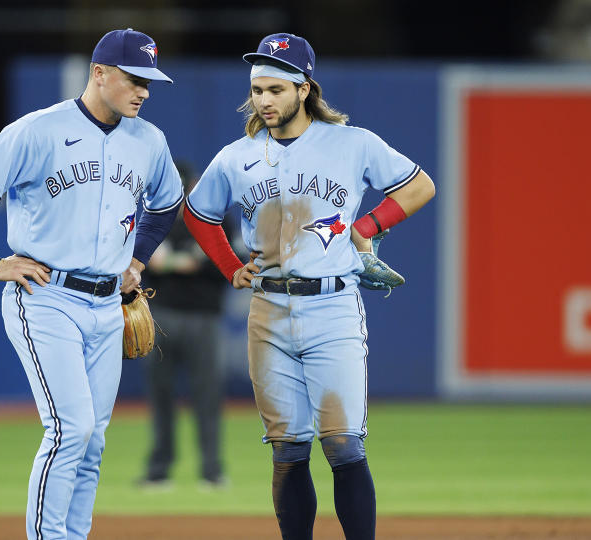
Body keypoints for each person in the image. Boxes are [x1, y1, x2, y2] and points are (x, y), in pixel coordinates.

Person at [183, 33, 435, 540]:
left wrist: (367, 228)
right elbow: (198, 212)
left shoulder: (351, 143)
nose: (264, 100)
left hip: (332, 307)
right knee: (288, 449)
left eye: (276, 89)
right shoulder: (238, 156)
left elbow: (420, 185)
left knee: (343, 444)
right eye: (258, 90)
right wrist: (230, 264)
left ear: (304, 89)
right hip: (268, 311)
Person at [0, 29, 183, 540]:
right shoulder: (39, 130)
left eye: (149, 82)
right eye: (133, 79)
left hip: (108, 306)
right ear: (98, 73)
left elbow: (167, 204)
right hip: (46, 298)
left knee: (93, 440)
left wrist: (137, 260)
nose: (143, 91)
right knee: (69, 429)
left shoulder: (149, 141)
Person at [138, 163, 229, 489]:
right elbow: (142, 267)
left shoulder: (214, 218)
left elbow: (223, 266)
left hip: (203, 316)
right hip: (160, 316)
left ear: (191, 186)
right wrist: (185, 262)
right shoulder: (152, 221)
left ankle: (212, 471)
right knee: (160, 396)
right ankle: (159, 471)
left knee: (207, 395)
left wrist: (173, 262)